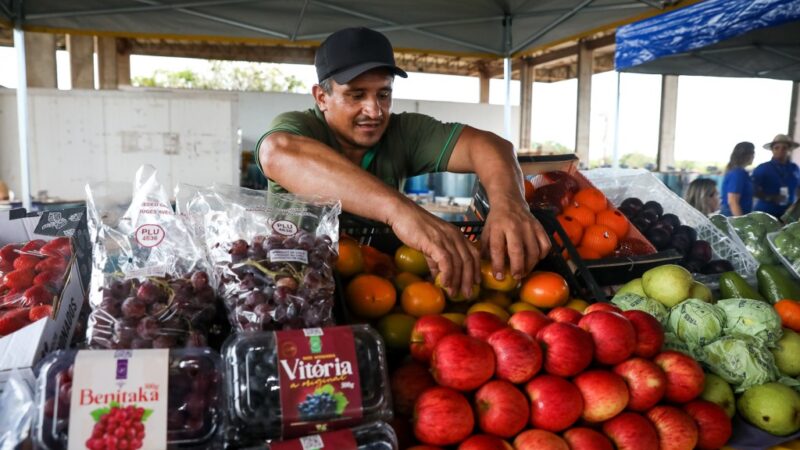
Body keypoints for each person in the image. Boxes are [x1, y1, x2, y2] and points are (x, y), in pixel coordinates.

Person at [256, 27, 550, 297]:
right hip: (298, 289)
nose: (374, 111)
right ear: (321, 97)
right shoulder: (300, 128)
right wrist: (401, 211)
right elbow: (277, 152)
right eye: (356, 95)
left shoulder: (403, 132)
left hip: (383, 289)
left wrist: (509, 204)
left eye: (383, 94)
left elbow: (490, 146)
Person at [752, 134, 800, 218]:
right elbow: (752, 190)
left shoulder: (794, 168)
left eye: (784, 148)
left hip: (789, 214)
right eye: (776, 148)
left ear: (789, 149)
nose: (780, 150)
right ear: (772, 150)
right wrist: (771, 198)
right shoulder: (762, 168)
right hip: (765, 214)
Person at [720, 141, 755, 216]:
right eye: (753, 153)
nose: (754, 156)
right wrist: (741, 224)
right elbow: (733, 202)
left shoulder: (741, 172)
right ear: (746, 155)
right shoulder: (737, 173)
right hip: (732, 217)